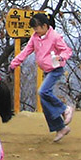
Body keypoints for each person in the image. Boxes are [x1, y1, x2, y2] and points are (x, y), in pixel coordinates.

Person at [9, 12, 73, 142]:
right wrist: (14, 63)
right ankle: (60, 128)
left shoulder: (54, 36)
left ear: (44, 26)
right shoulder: (35, 37)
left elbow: (67, 51)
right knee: (44, 102)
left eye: (36, 28)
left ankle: (65, 109)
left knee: (43, 91)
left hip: (56, 69)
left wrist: (61, 58)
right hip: (47, 70)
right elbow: (26, 51)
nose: (35, 30)